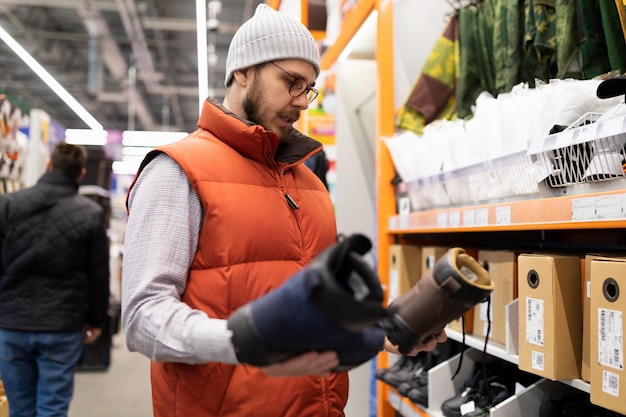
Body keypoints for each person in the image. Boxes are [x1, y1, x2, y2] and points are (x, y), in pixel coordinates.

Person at [121, 4, 446, 417]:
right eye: (291, 82)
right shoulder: (177, 170)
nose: (302, 102)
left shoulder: (309, 184)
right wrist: (242, 340)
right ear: (243, 71)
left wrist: (379, 331)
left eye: (308, 88)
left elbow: (314, 317)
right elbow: (142, 317)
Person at [0, 142, 110, 417]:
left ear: (49, 165)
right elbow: (98, 274)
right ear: (80, 174)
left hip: (12, 322)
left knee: (19, 408)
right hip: (62, 325)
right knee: (52, 408)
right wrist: (97, 320)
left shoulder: (8, 205)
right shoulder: (90, 214)